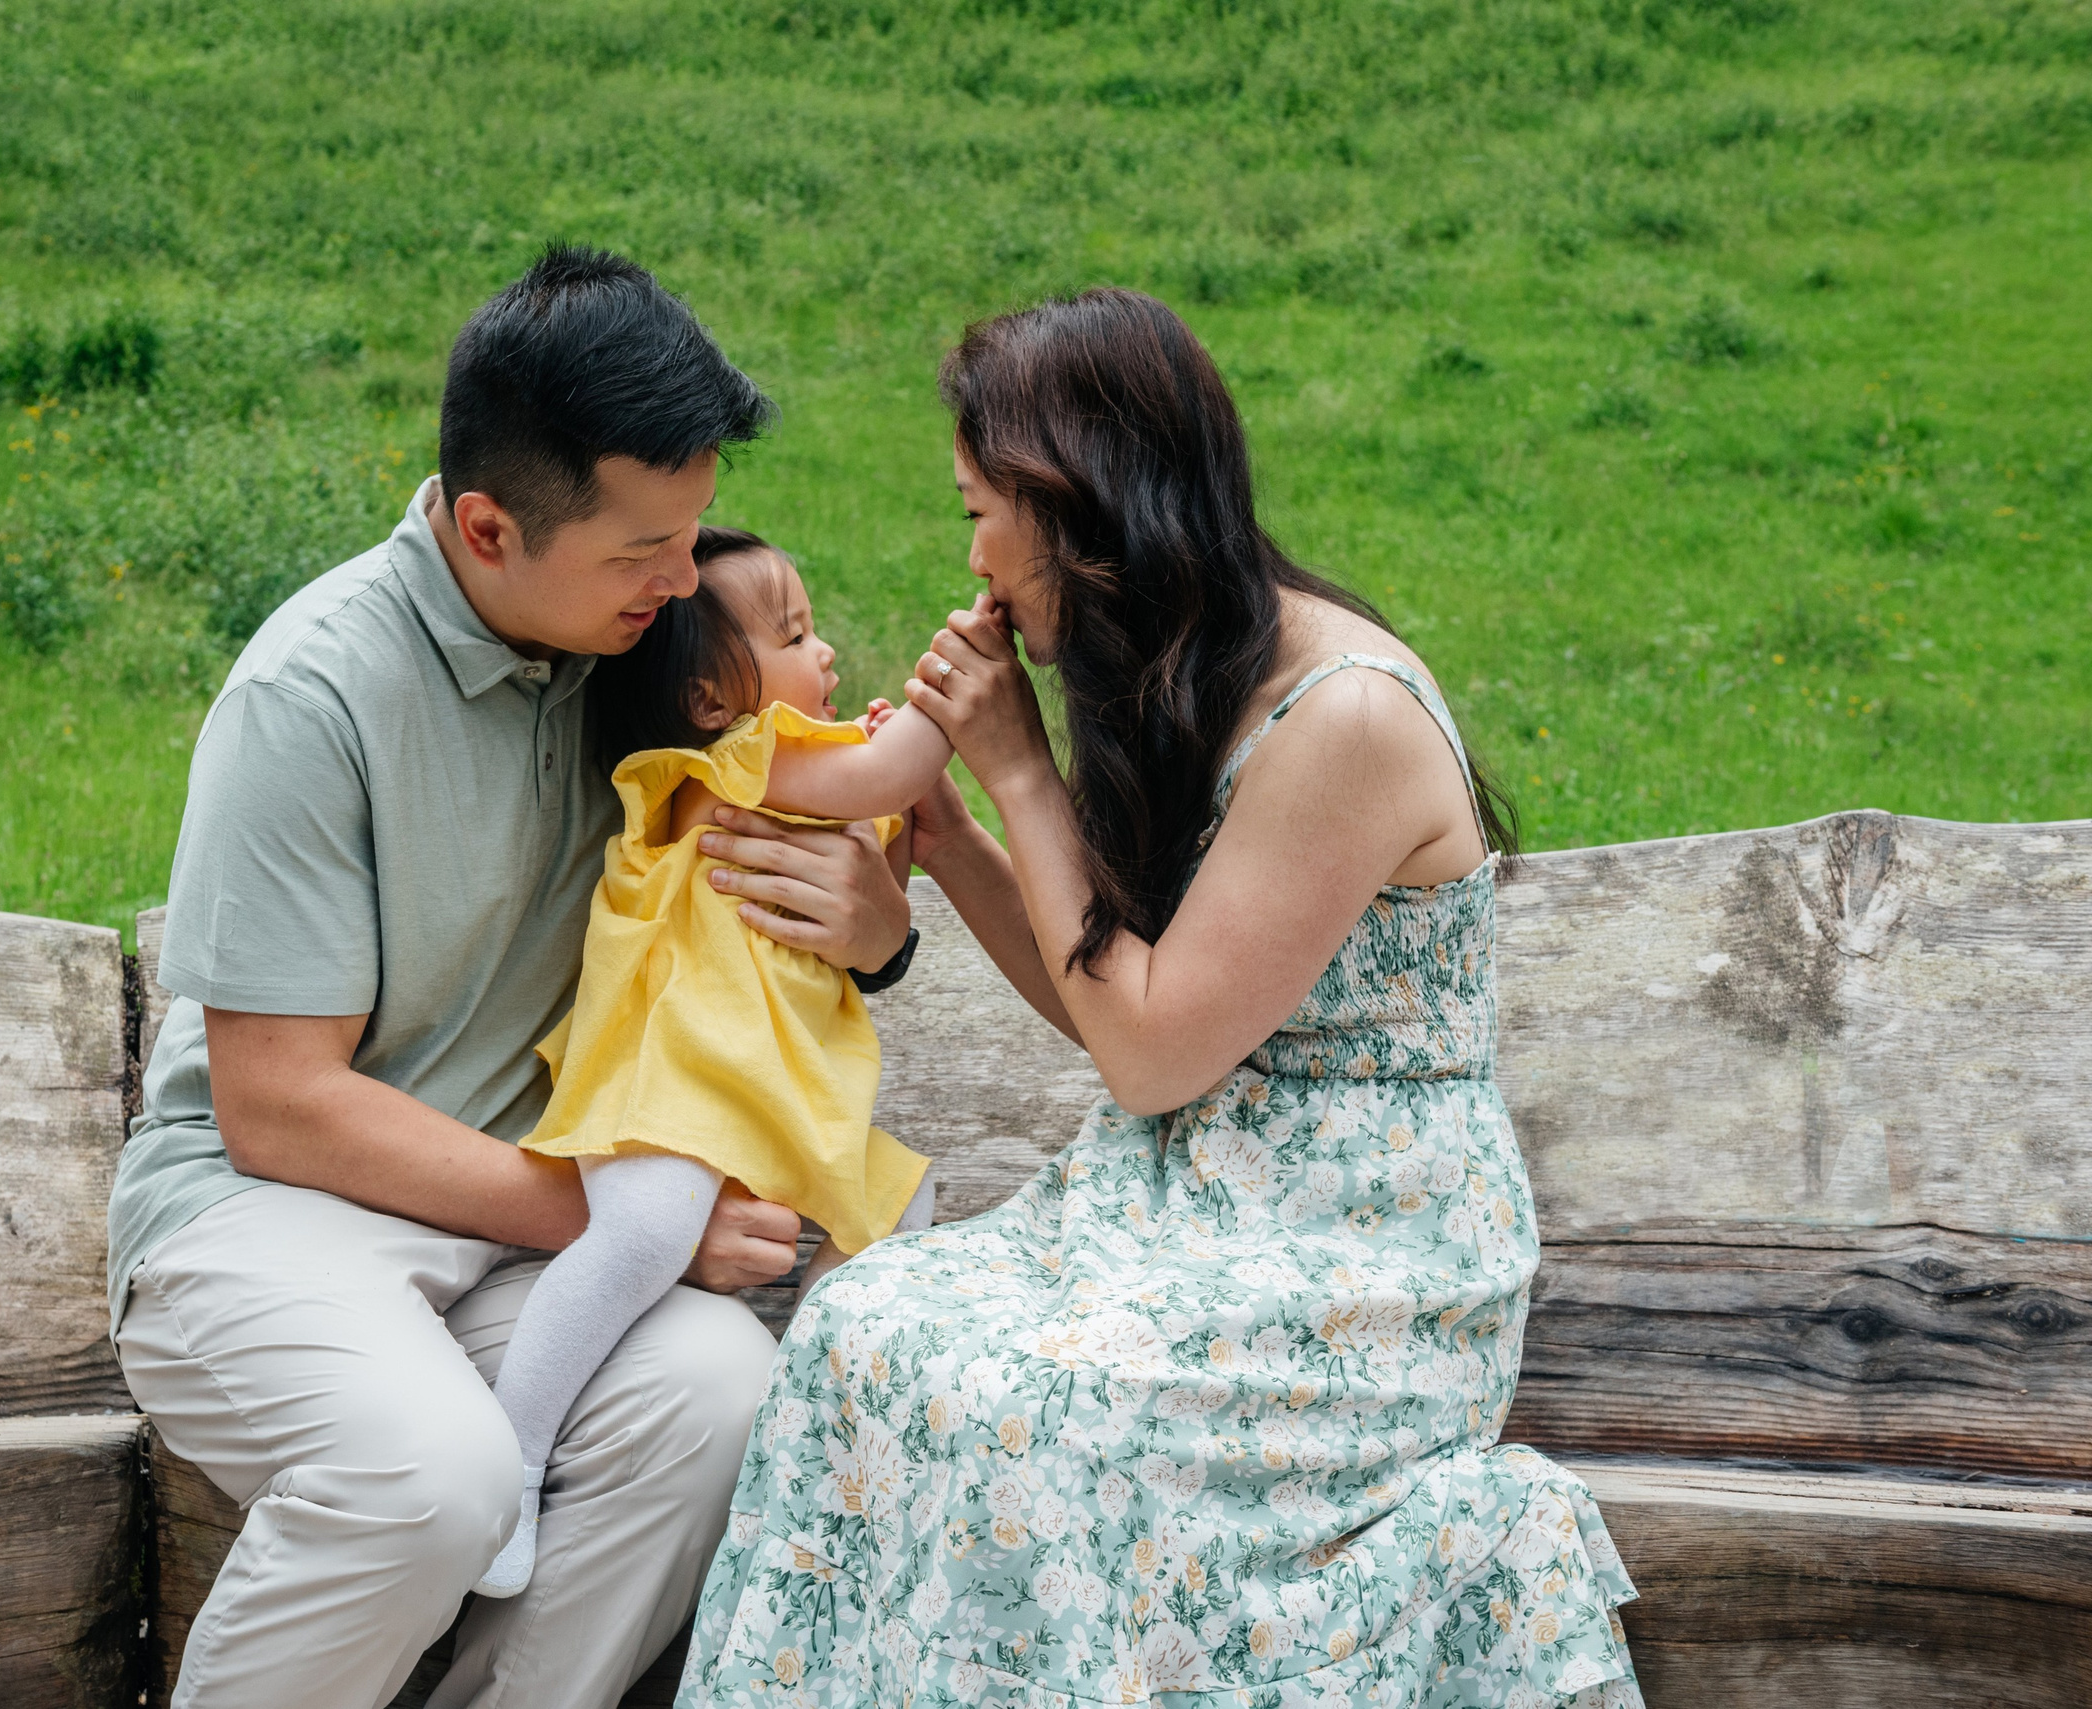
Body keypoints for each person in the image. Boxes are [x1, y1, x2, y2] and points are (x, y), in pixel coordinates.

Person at [678, 290, 1645, 1707]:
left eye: (981, 512)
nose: (975, 556)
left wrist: (1018, 770)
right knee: (865, 1331)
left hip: (1363, 1243)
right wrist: (947, 834)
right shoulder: (1179, 665)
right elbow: (1118, 997)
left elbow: (1144, 1052)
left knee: (1051, 1418)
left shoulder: (1347, 717)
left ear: (1078, 505)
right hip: (1180, 1194)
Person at [106, 248, 922, 1709]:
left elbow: (802, 817)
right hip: (266, 1224)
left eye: (688, 540)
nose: (683, 582)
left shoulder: (633, 646)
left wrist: (882, 929)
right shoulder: (315, 694)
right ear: (488, 525)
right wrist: (624, 1224)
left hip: (506, 1252)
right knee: (433, 1471)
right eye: (642, 552)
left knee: (718, 1396)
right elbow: (276, 1106)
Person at [478, 525, 954, 1597]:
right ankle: (508, 1460)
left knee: (901, 1219)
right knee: (644, 1228)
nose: (824, 650)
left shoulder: (800, 770)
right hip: (678, 1077)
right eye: (792, 632)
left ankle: (796, 1449)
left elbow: (886, 858)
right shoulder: (720, 767)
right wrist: (955, 684)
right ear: (706, 698)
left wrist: (895, 815)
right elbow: (891, 768)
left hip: (777, 1099)